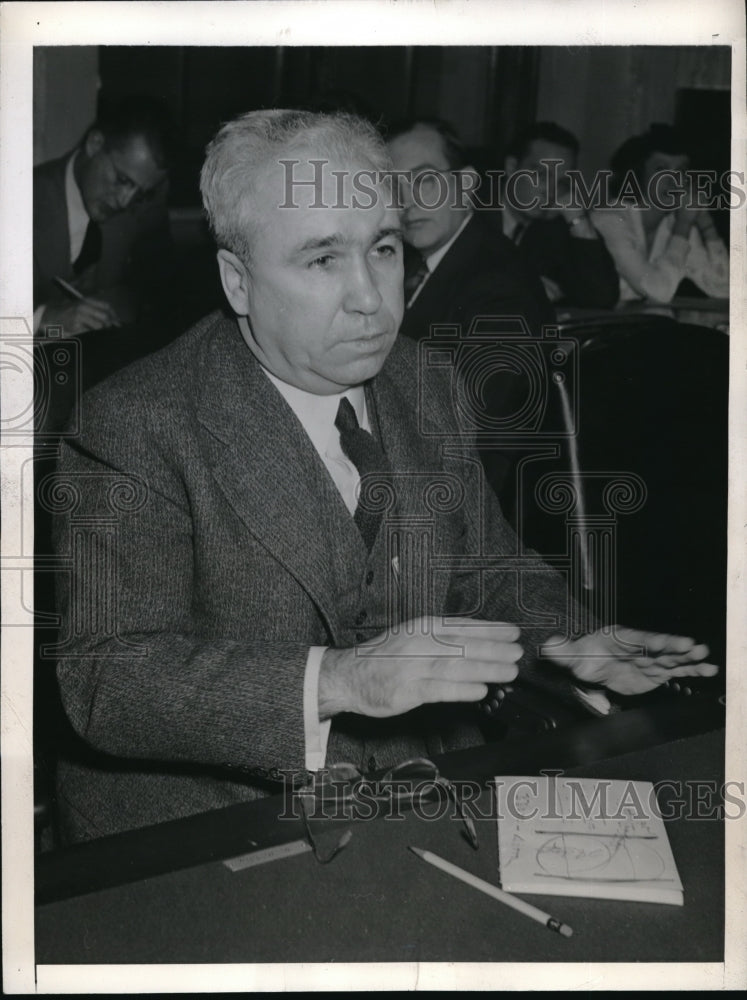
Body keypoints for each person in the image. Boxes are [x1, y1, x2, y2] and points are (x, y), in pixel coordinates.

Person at [51, 109, 718, 843]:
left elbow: (484, 564)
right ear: (237, 280)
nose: (371, 296)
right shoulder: (135, 423)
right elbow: (107, 679)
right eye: (322, 260)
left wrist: (572, 639)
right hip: (213, 827)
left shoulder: (426, 380)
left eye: (384, 248)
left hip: (419, 797)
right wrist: (340, 680)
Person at [385, 118, 554, 341]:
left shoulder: (500, 285)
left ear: (466, 184)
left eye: (425, 179)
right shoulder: (411, 261)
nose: (406, 201)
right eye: (393, 186)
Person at [33, 94, 175, 337]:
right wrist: (44, 318)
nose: (125, 201)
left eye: (141, 193)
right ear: (95, 144)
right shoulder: (17, 198)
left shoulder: (145, 208)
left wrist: (126, 302)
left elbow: (156, 289)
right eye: (122, 181)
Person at [591, 123, 729, 304]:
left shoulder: (675, 223)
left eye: (681, 171)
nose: (674, 180)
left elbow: (724, 289)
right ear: (638, 174)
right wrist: (683, 227)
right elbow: (657, 291)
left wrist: (706, 224)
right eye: (661, 169)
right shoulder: (610, 220)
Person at [499, 122, 619, 309]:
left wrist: (579, 221)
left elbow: (602, 297)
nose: (551, 190)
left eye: (562, 182)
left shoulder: (554, 226)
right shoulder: (469, 211)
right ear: (512, 167)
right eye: (540, 175)